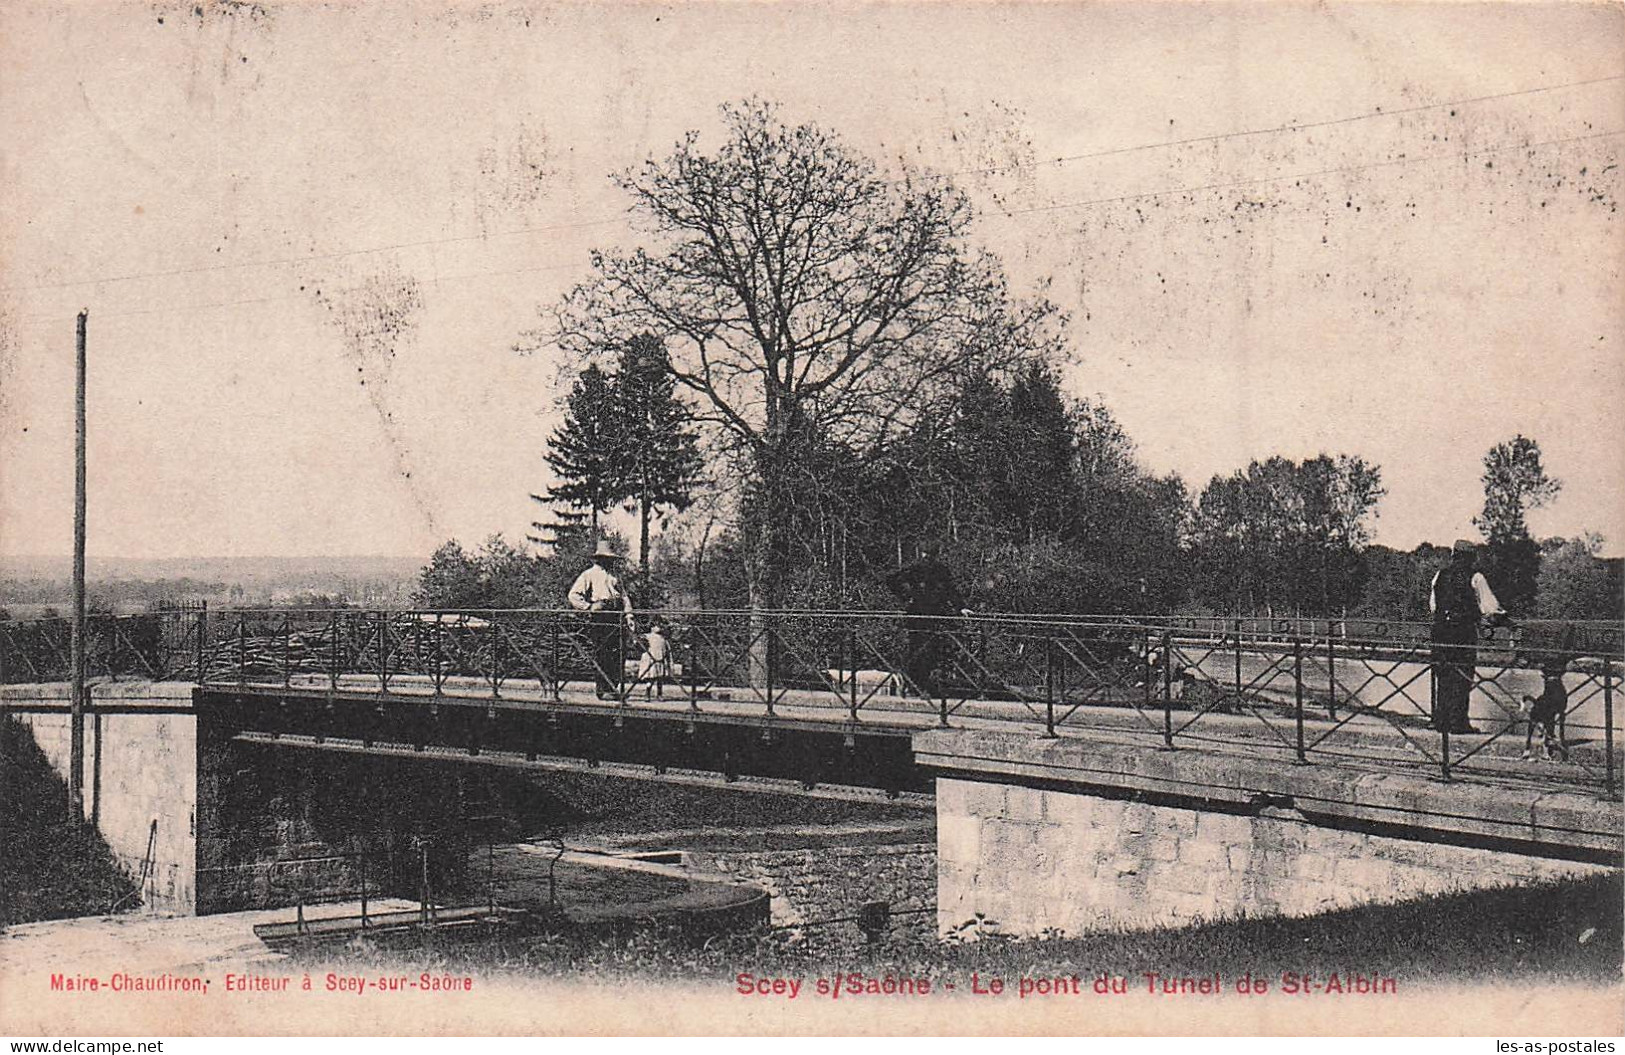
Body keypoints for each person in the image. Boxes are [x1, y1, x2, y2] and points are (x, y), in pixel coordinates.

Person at [1428, 539, 1508, 734]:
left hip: (1440, 632)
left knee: (1443, 676)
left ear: (1454, 555)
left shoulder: (1440, 575)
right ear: (1471, 558)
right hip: (1462, 632)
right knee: (1462, 676)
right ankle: (1458, 723)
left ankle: (1441, 721)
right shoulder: (1476, 577)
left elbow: (1433, 606)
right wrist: (1506, 621)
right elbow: (1490, 608)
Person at [885, 543, 970, 701]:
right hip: (920, 615)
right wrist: (906, 596)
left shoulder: (935, 569)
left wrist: (961, 607)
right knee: (920, 651)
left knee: (926, 651)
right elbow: (891, 579)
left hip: (929, 615)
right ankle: (916, 686)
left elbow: (951, 590)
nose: (927, 558)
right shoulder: (918, 568)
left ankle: (919, 687)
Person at [568, 540, 635, 699]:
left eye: (610, 559)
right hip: (601, 615)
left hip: (616, 614)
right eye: (606, 558)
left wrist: (629, 615)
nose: (609, 561)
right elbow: (573, 595)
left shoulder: (615, 576)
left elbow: (624, 597)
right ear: (598, 558)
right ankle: (603, 689)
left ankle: (613, 687)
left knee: (618, 652)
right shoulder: (589, 574)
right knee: (602, 653)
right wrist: (588, 607)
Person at [637, 622, 673, 699]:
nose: (658, 628)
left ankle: (659, 694)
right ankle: (647, 693)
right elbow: (641, 645)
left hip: (660, 659)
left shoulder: (663, 639)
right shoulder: (647, 636)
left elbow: (668, 651)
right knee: (651, 678)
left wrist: (668, 661)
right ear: (652, 628)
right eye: (655, 626)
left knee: (660, 678)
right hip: (651, 660)